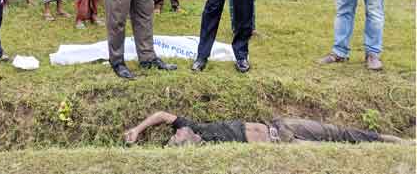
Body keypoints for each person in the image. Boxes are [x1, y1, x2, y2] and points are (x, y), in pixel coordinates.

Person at [124, 111, 411, 146]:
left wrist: (137, 130)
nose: (179, 136)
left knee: (338, 131)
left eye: (176, 135)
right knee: (333, 150)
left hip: (281, 126)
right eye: (177, 142)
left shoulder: (193, 126)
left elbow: (161, 115)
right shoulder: (212, 150)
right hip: (281, 145)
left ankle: (396, 141)